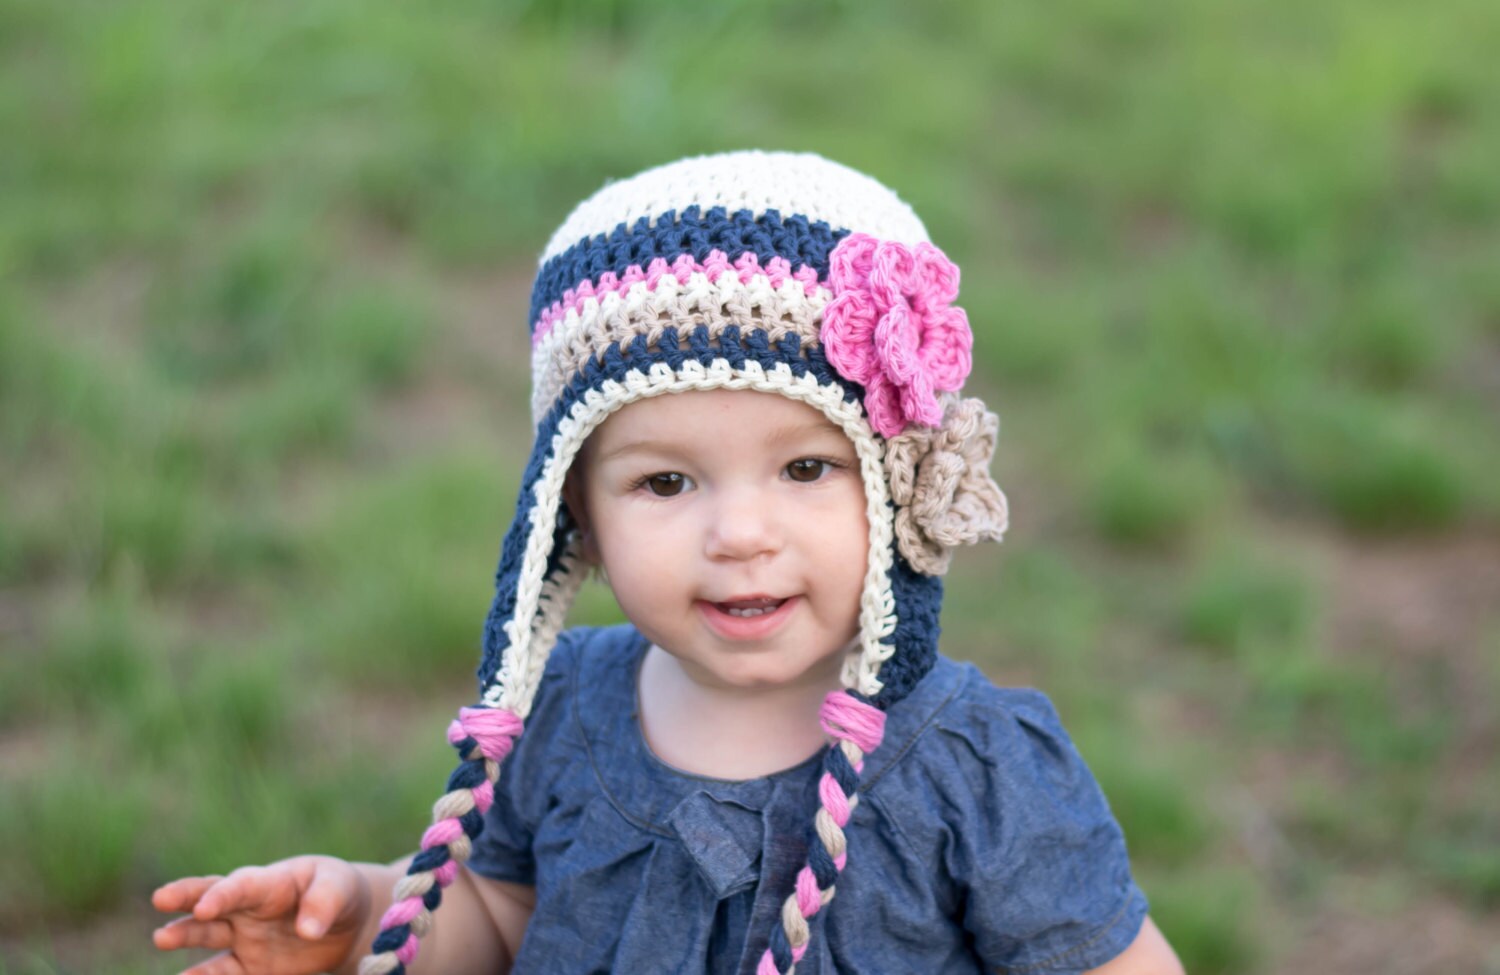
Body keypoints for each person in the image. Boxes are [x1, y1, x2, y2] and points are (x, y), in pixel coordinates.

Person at [152, 152, 1184, 975]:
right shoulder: (570, 707)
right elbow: (504, 918)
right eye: (665, 482)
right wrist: (364, 917)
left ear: (899, 481)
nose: (739, 534)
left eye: (806, 468)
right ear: (576, 517)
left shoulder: (980, 770)